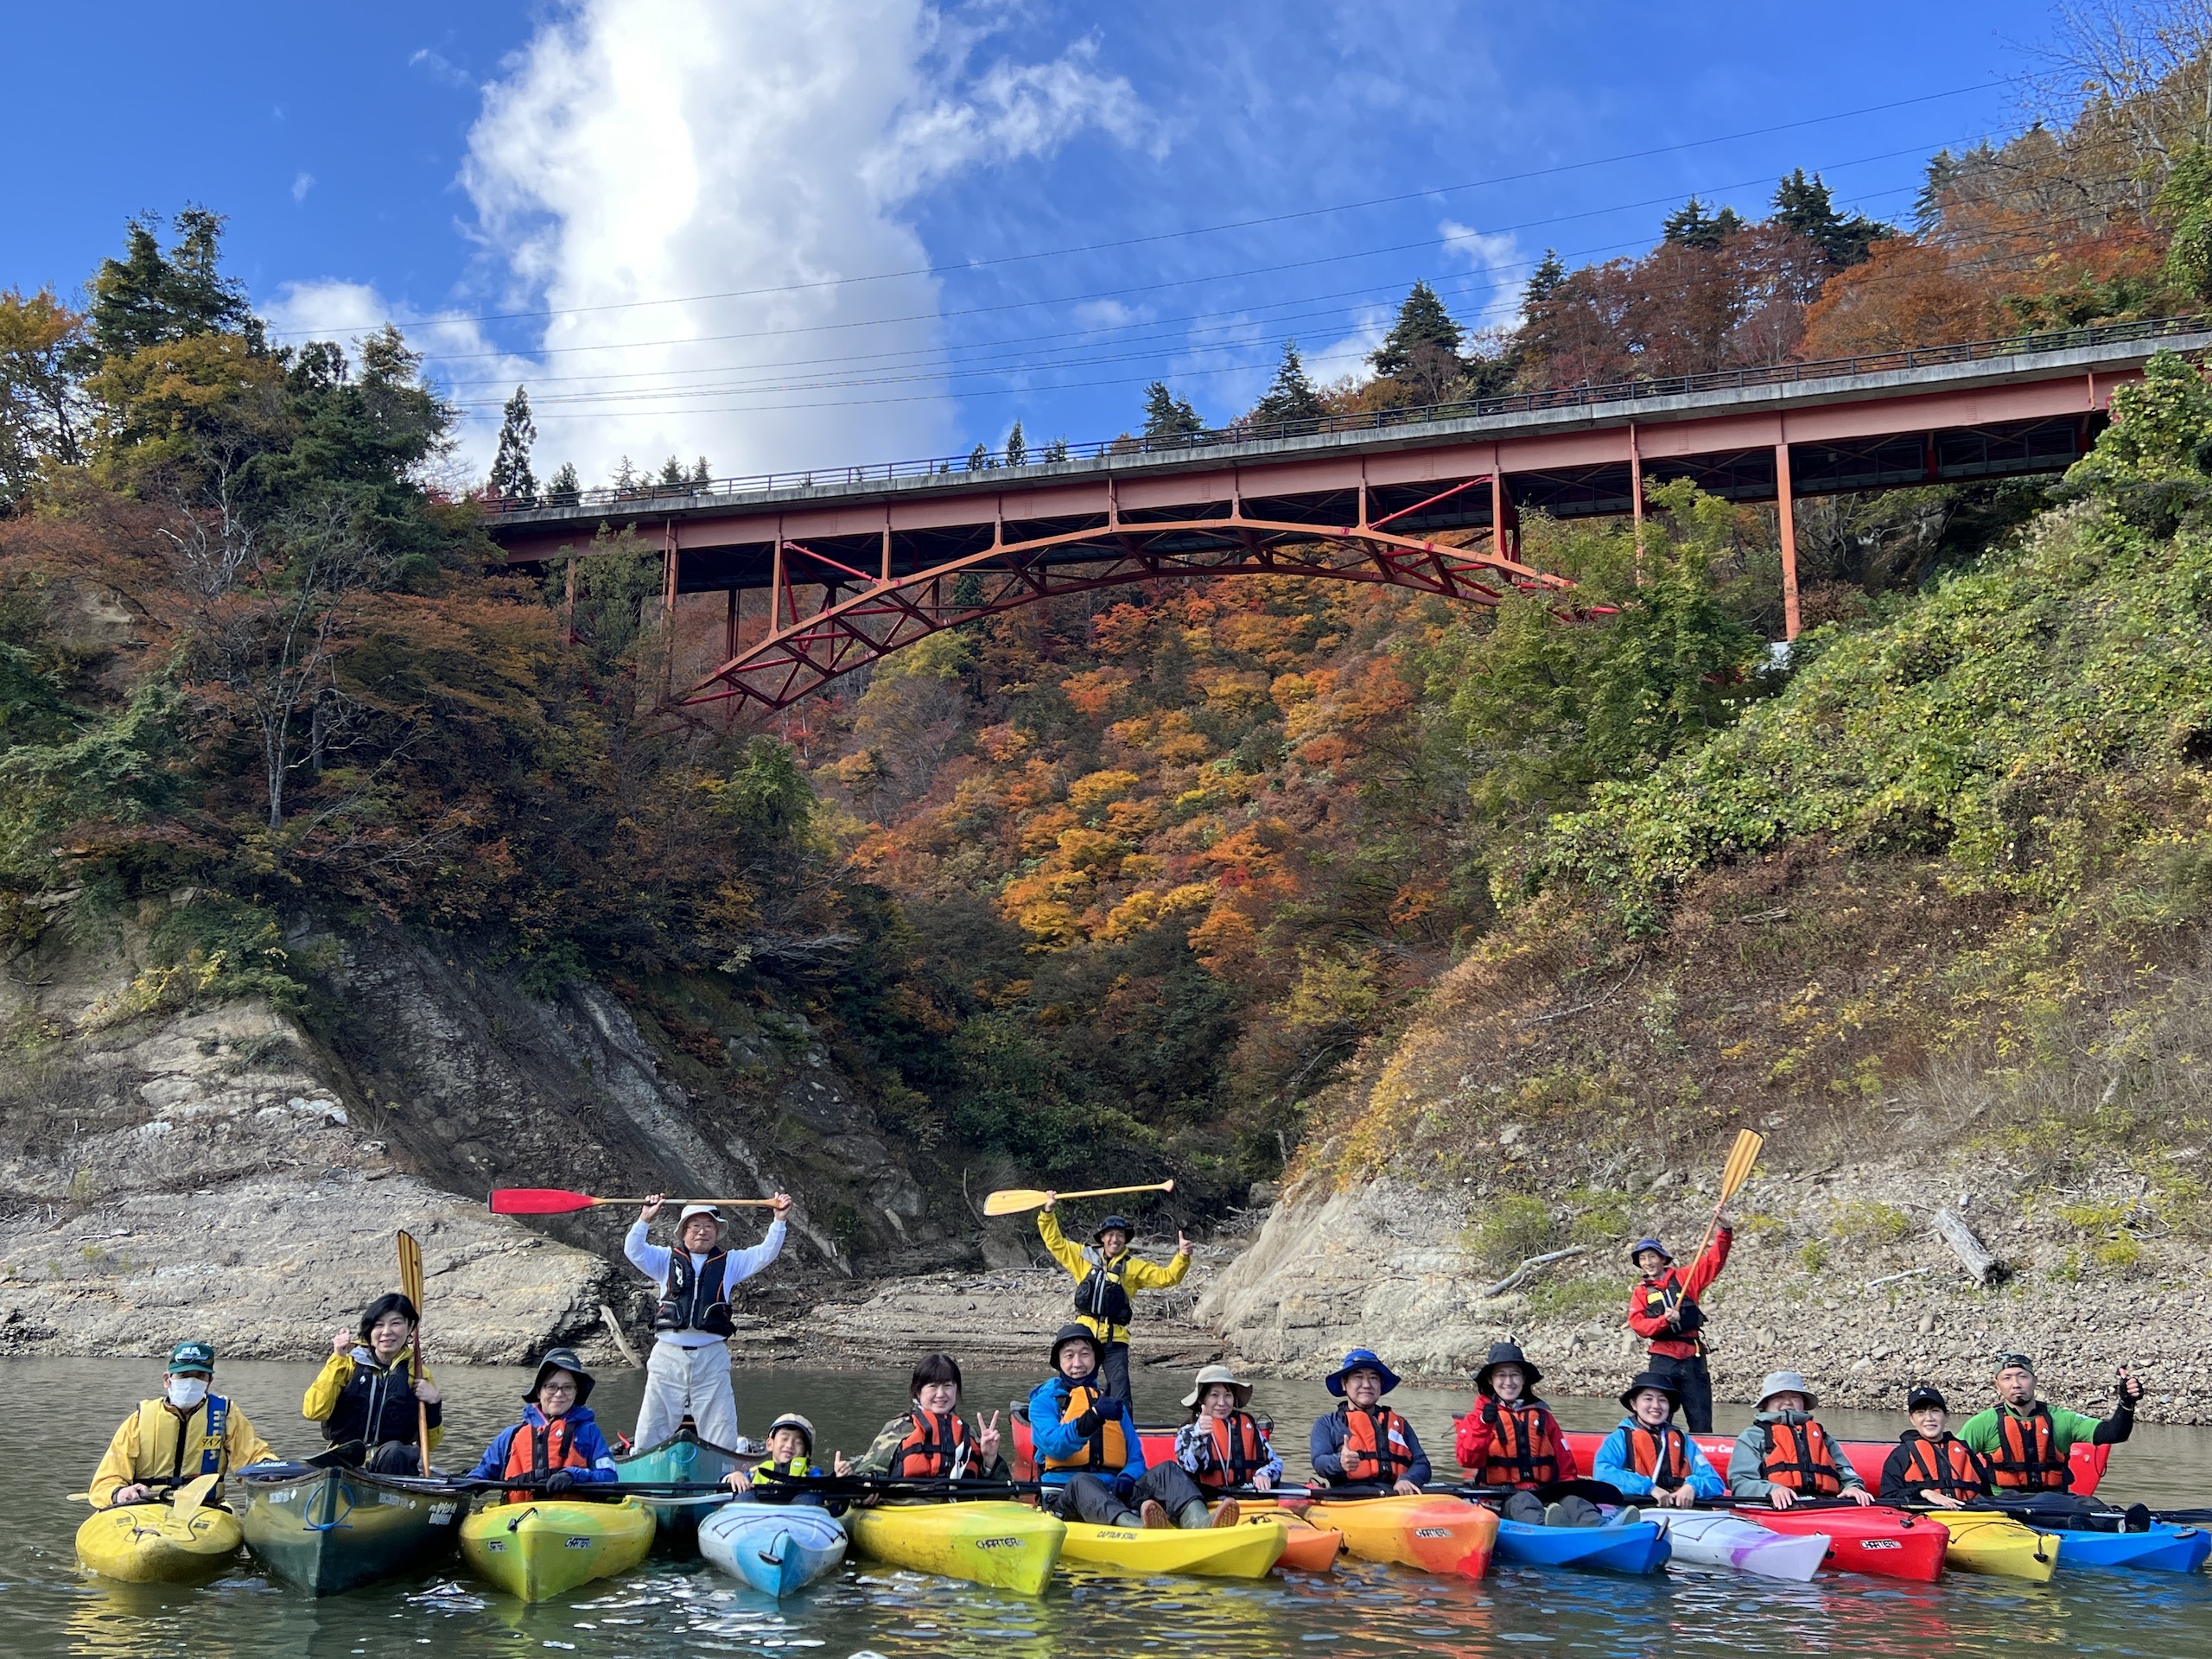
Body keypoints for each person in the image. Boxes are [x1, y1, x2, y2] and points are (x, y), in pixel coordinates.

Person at [625, 1191, 791, 1451]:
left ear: (717, 1231)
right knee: (654, 1420)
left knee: (720, 1423)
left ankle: (724, 1470)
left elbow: (765, 1253)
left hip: (711, 1356)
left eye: (708, 1226)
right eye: (695, 1226)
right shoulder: (664, 1259)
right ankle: (646, 1463)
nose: (702, 1232)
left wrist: (779, 1220)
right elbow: (633, 1250)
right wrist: (645, 1218)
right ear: (683, 1232)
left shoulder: (731, 1263)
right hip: (668, 1354)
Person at [1031, 1324, 1230, 1529]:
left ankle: (1200, 1521)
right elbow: (1053, 1445)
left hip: (1114, 1495)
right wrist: (1094, 1416)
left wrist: (1127, 1477)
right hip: (1064, 1497)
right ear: (1059, 1362)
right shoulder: (1045, 1402)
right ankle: (1139, 1529)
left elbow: (1135, 1457)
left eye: (1085, 1354)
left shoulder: (1112, 1406)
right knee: (1082, 1481)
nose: (1078, 1363)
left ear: (1095, 1359)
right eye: (1069, 1356)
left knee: (1167, 1471)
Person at [1036, 1196, 1190, 1402]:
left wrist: (1182, 1256)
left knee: (1120, 1391)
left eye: (1120, 1235)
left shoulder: (1134, 1267)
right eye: (1110, 1235)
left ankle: (1122, 1429)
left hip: (1115, 1340)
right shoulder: (1083, 1257)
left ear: (1125, 1239)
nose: (1114, 1240)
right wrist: (1047, 1213)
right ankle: (1071, 1423)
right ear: (1102, 1238)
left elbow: (1167, 1277)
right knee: (1077, 1385)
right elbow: (1055, 1242)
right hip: (1085, 1337)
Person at [89, 1341, 275, 1509]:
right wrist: (118, 1492)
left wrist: (271, 1468)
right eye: (184, 1375)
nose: (191, 1382)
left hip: (204, 1507)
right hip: (144, 1506)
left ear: (209, 1382)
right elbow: (107, 1479)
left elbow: (251, 1457)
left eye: (200, 1376)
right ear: (167, 1380)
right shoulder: (140, 1419)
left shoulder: (226, 1415)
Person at [1957, 1352, 2141, 1497]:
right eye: (2007, 1378)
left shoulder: (2061, 1419)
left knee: (2092, 1506)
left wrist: (2126, 1403)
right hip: (2003, 1504)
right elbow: (1949, 1460)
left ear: (2034, 1381)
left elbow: (2114, 1434)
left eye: (2022, 1376)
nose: (2016, 1384)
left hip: (2053, 1502)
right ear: (1997, 1385)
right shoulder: (1982, 1424)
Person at [1454, 1340, 1598, 1526]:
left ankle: (1601, 1527)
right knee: (1523, 1502)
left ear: (1523, 1379)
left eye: (1514, 1375)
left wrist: (1569, 1490)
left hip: (1543, 1491)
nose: (1508, 1382)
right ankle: (1547, 1531)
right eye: (1501, 1375)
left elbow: (1565, 1465)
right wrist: (1484, 1424)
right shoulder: (1477, 1418)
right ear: (1491, 1380)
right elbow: (1468, 1460)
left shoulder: (1543, 1416)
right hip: (1501, 1497)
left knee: (1575, 1502)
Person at [304, 1292, 442, 1473]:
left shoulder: (418, 1375)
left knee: (395, 1452)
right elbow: (313, 1411)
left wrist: (434, 1404)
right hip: (347, 1459)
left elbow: (430, 1444)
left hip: (394, 1464)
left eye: (396, 1323)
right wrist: (337, 1358)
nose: (386, 1332)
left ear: (409, 1327)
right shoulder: (347, 1365)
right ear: (369, 1331)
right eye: (379, 1325)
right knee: (341, 1458)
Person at [465, 1348, 620, 1501]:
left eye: (568, 1387)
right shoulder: (512, 1435)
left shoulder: (589, 1432)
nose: (559, 1394)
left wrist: (573, 1475)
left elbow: (609, 1477)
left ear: (576, 1392)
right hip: (517, 1516)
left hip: (573, 1516)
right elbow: (483, 1472)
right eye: (551, 1387)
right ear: (539, 1392)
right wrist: (471, 1481)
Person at [1625, 1224, 1732, 1433]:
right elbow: (1639, 1325)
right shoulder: (1641, 1293)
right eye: (1643, 1259)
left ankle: (1703, 1457)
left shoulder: (1686, 1279)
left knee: (1701, 1421)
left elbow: (1715, 1260)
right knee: (1656, 1419)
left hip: (1692, 1358)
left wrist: (1725, 1230)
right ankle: (1656, 1452)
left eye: (1652, 1257)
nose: (1648, 1262)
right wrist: (1664, 1321)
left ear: (1663, 1259)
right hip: (1662, 1360)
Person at [836, 1353, 1007, 1484]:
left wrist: (989, 1458)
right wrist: (860, 1486)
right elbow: (866, 1476)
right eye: (933, 1386)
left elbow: (1000, 1493)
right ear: (918, 1391)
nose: (941, 1394)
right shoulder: (898, 1429)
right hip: (909, 1509)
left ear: (957, 1390)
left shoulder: (971, 1434)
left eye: (948, 1386)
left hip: (959, 1512)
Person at [1728, 1370, 1876, 1510]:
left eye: (1795, 1397)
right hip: (1777, 1507)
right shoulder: (1752, 1436)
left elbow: (1846, 1472)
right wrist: (1771, 1490)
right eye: (1778, 1397)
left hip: (1824, 1506)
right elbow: (1741, 1482)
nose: (1788, 1403)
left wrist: (1853, 1487)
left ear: (1803, 1404)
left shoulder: (1822, 1436)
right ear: (1765, 1404)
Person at [1592, 1371, 1725, 1509]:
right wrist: (1649, 1488)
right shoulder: (1619, 1439)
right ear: (1634, 1404)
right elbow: (1602, 1474)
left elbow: (1715, 1483)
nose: (1656, 1406)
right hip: (1637, 1512)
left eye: (1662, 1400)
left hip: (1680, 1513)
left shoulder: (1683, 1440)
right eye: (1648, 1399)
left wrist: (1693, 1487)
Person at [1308, 1349, 1430, 1497]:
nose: (1366, 1384)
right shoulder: (1326, 1423)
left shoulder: (1400, 1424)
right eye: (1358, 1377)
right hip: (1347, 1498)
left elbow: (1422, 1464)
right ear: (1344, 1384)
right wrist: (1339, 1462)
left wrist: (1408, 1479)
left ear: (1380, 1384)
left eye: (1373, 1378)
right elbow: (1319, 1462)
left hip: (1395, 1496)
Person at [1173, 1363, 1276, 1509]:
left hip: (1246, 1498)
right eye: (1214, 1395)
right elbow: (1191, 1467)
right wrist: (1200, 1435)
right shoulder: (1188, 1431)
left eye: (1228, 1395)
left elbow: (1275, 1462)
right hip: (1204, 1501)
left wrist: (1263, 1474)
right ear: (1202, 1399)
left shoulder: (1248, 1426)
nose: (1222, 1403)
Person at [1878, 1385, 1997, 1509]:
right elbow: (1888, 1497)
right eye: (1920, 1412)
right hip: (1923, 1520)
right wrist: (1922, 1493)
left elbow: (1987, 1495)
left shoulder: (1965, 1451)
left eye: (1935, 1411)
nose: (1929, 1418)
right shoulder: (1901, 1455)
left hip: (1966, 1517)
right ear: (1912, 1419)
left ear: (1946, 1416)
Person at [728, 1412, 832, 1507]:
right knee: (744, 1496)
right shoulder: (754, 1473)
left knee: (810, 1497)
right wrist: (734, 1476)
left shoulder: (813, 1474)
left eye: (798, 1442)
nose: (789, 1445)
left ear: (806, 1452)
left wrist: (838, 1478)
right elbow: (729, 1484)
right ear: (770, 1444)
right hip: (758, 1522)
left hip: (798, 1523)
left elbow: (830, 1496)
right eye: (784, 1439)